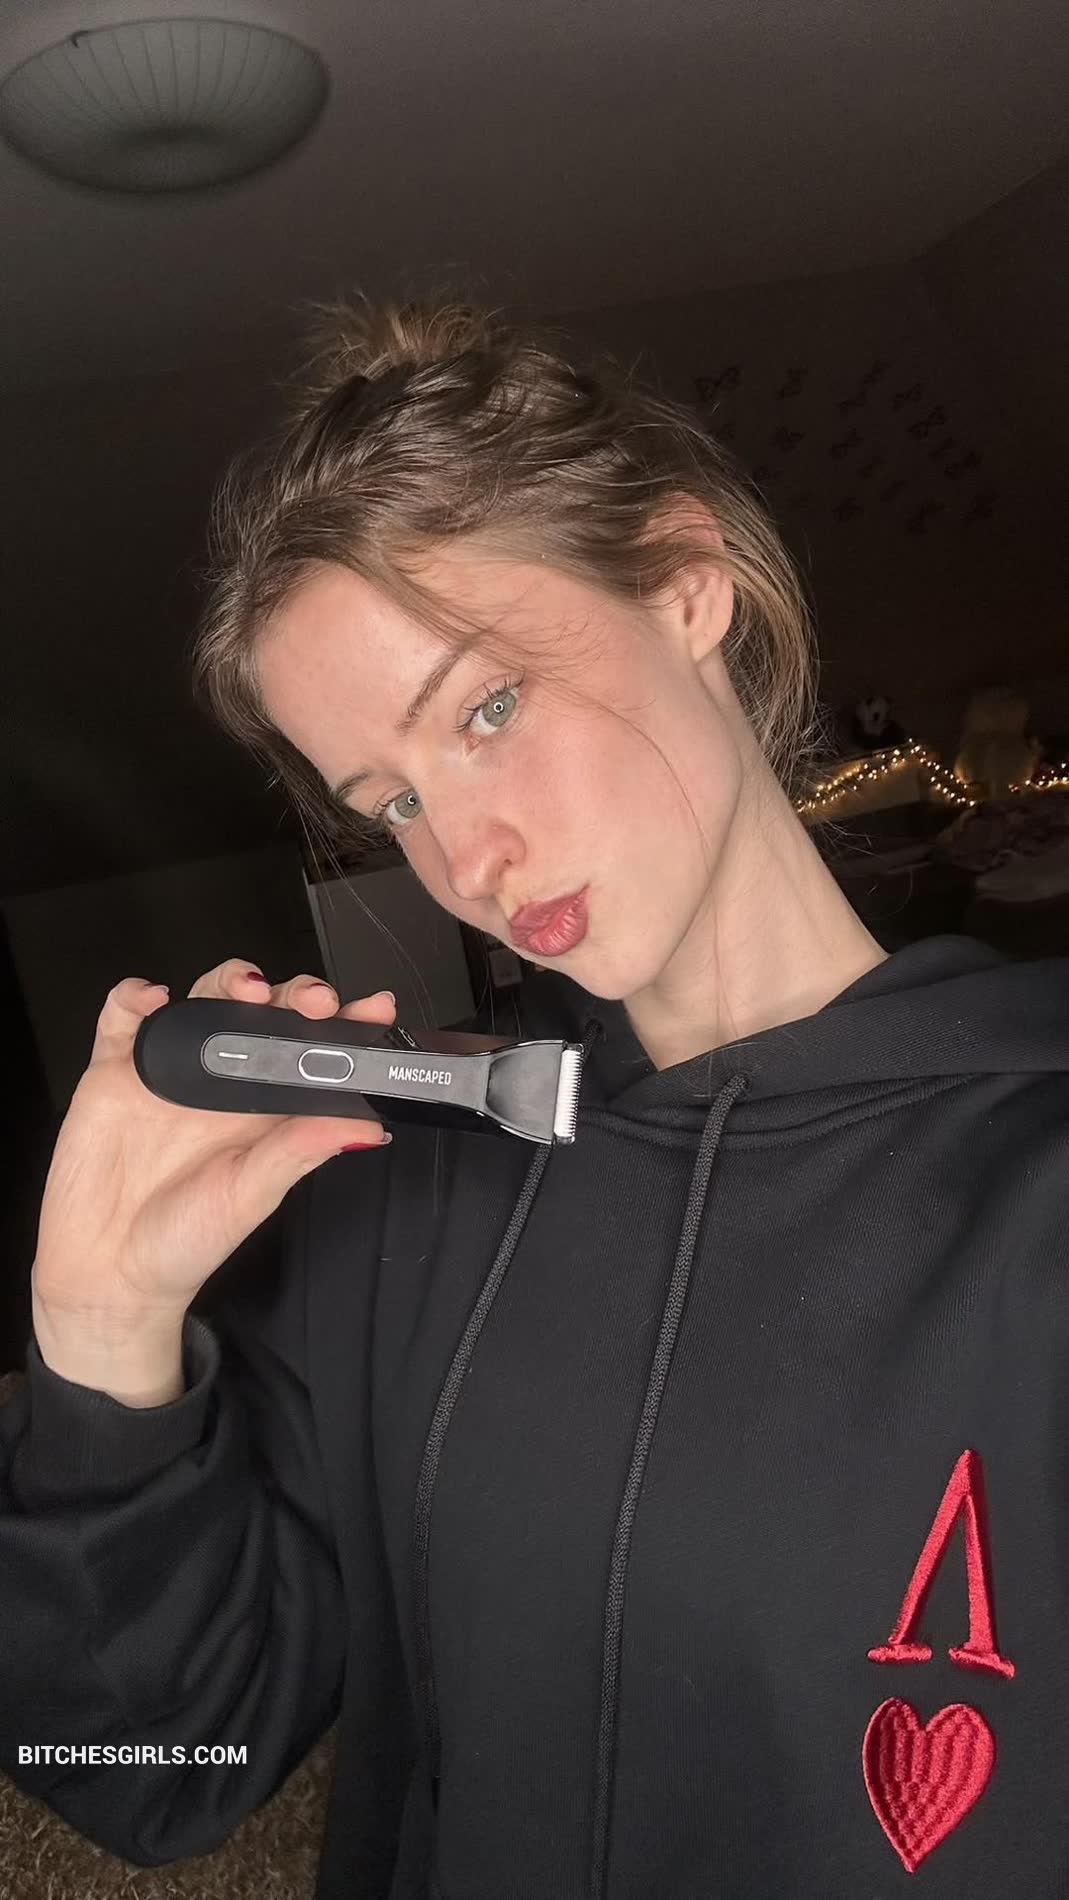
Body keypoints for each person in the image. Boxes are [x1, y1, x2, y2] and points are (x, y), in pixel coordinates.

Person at [2, 294, 1069, 1900]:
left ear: (684, 583)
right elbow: (150, 1779)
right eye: (391, 801)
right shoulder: (400, 1208)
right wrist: (100, 1334)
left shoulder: (1034, 1199)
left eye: (486, 709)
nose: (464, 859)